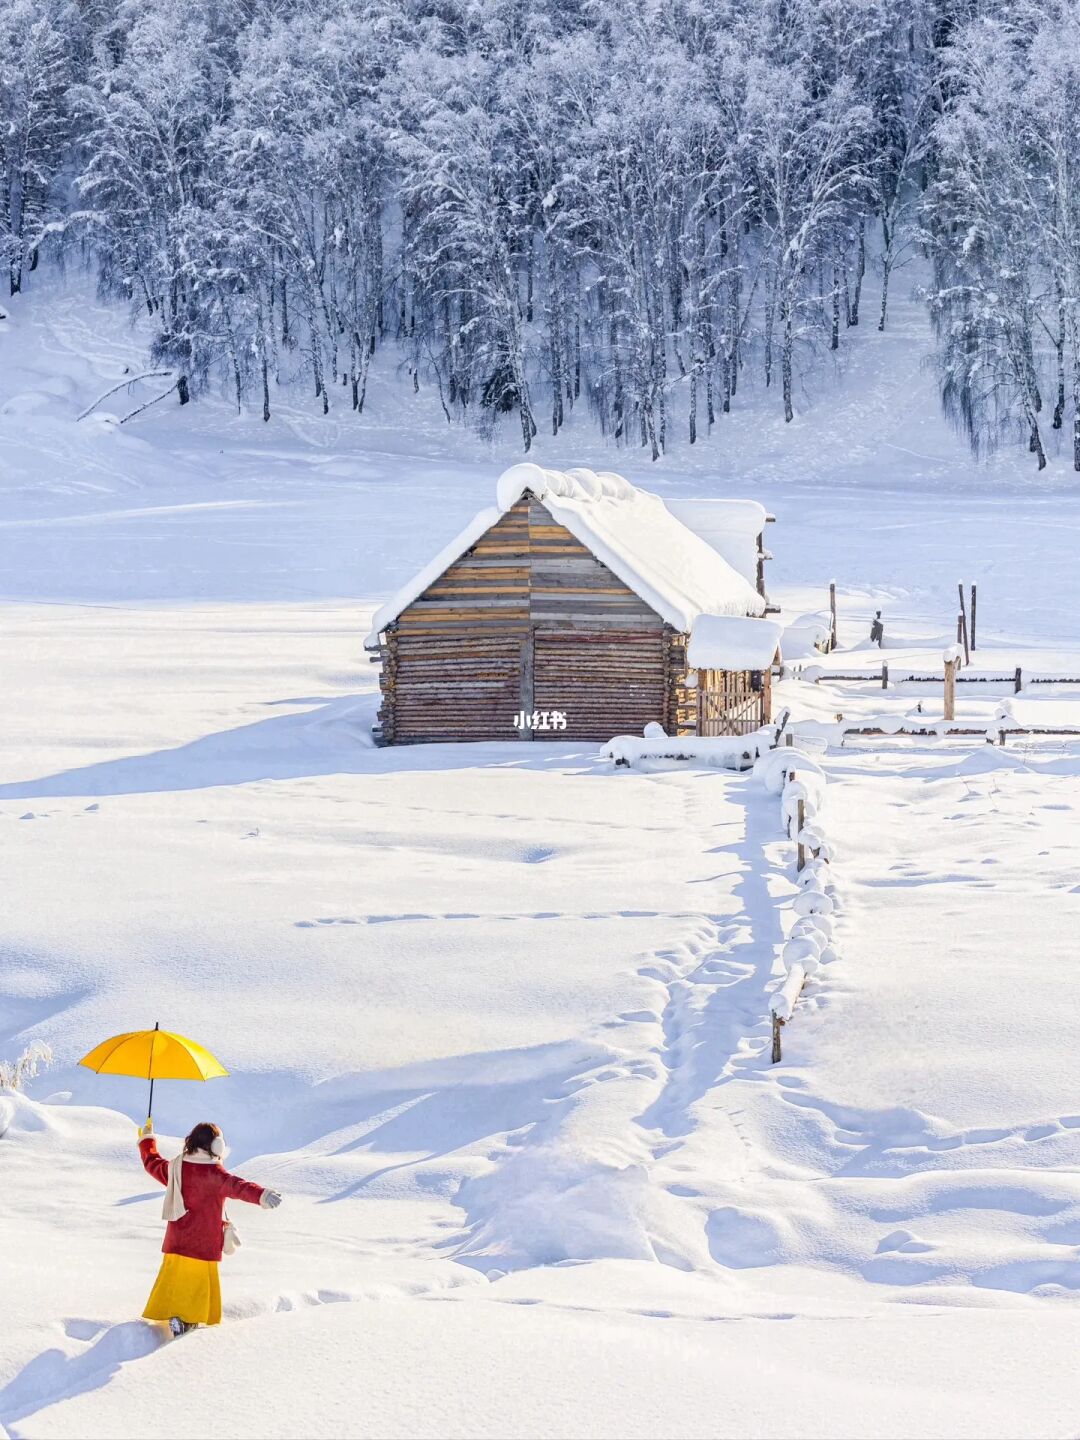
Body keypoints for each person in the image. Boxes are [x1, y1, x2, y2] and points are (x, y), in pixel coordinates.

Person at [137, 1119, 282, 1337]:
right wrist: (262, 1194)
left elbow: (152, 1163)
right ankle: (186, 1321)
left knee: (174, 1280)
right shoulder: (215, 1174)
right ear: (216, 1146)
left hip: (176, 1241)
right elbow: (238, 1187)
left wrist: (147, 1139)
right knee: (196, 1286)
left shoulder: (175, 1168)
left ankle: (174, 1315)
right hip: (203, 1243)